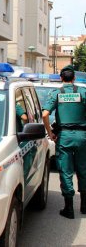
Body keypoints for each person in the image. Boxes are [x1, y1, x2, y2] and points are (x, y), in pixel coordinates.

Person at [42, 65, 86, 219]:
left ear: (61, 78)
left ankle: (69, 209)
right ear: (74, 78)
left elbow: (45, 114)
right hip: (82, 137)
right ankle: (84, 206)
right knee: (83, 169)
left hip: (65, 137)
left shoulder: (56, 93)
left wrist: (50, 133)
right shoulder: (82, 92)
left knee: (66, 171)